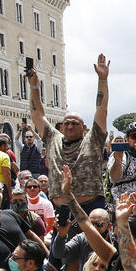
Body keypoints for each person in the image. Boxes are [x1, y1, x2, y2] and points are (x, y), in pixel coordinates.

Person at [28, 54, 109, 213]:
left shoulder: (93, 139)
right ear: (62, 127)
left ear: (84, 126)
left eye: (75, 123)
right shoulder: (53, 139)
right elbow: (37, 114)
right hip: (62, 208)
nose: (70, 126)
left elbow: (102, 109)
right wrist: (33, 87)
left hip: (91, 208)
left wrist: (102, 80)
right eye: (67, 123)